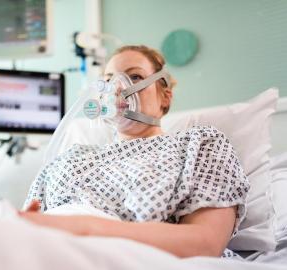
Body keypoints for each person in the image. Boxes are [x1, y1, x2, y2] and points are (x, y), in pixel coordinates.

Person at [19, 45, 250, 258]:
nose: (118, 88)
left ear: (165, 98)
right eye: (109, 80)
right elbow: (22, 224)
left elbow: (206, 243)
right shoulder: (70, 157)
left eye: (135, 77)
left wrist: (85, 228)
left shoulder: (198, 145)